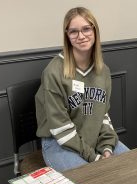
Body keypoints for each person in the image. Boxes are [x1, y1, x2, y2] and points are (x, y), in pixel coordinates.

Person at [35, 7, 129, 172]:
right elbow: (60, 128)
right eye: (74, 31)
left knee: (132, 166)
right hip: (60, 143)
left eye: (86, 29)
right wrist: (94, 157)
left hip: (93, 137)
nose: (81, 36)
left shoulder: (103, 71)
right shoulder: (53, 72)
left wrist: (106, 147)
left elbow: (103, 116)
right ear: (67, 35)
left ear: (94, 31)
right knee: (94, 179)